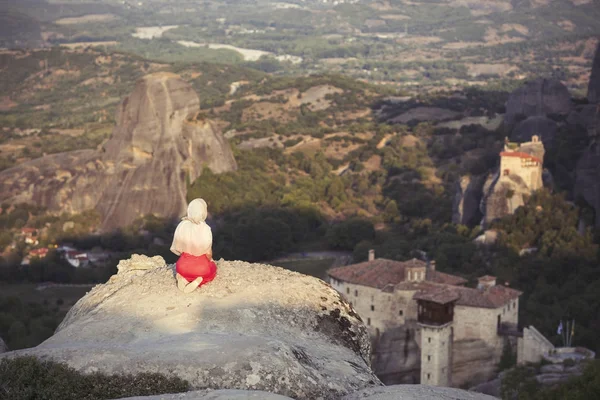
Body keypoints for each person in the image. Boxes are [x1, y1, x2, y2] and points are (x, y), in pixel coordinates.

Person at [170, 198, 217, 293]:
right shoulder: (205, 229)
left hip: (182, 266)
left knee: (185, 270)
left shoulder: (182, 225)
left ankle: (183, 278)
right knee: (212, 269)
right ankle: (199, 281)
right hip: (201, 268)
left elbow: (178, 249)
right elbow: (208, 254)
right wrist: (210, 260)